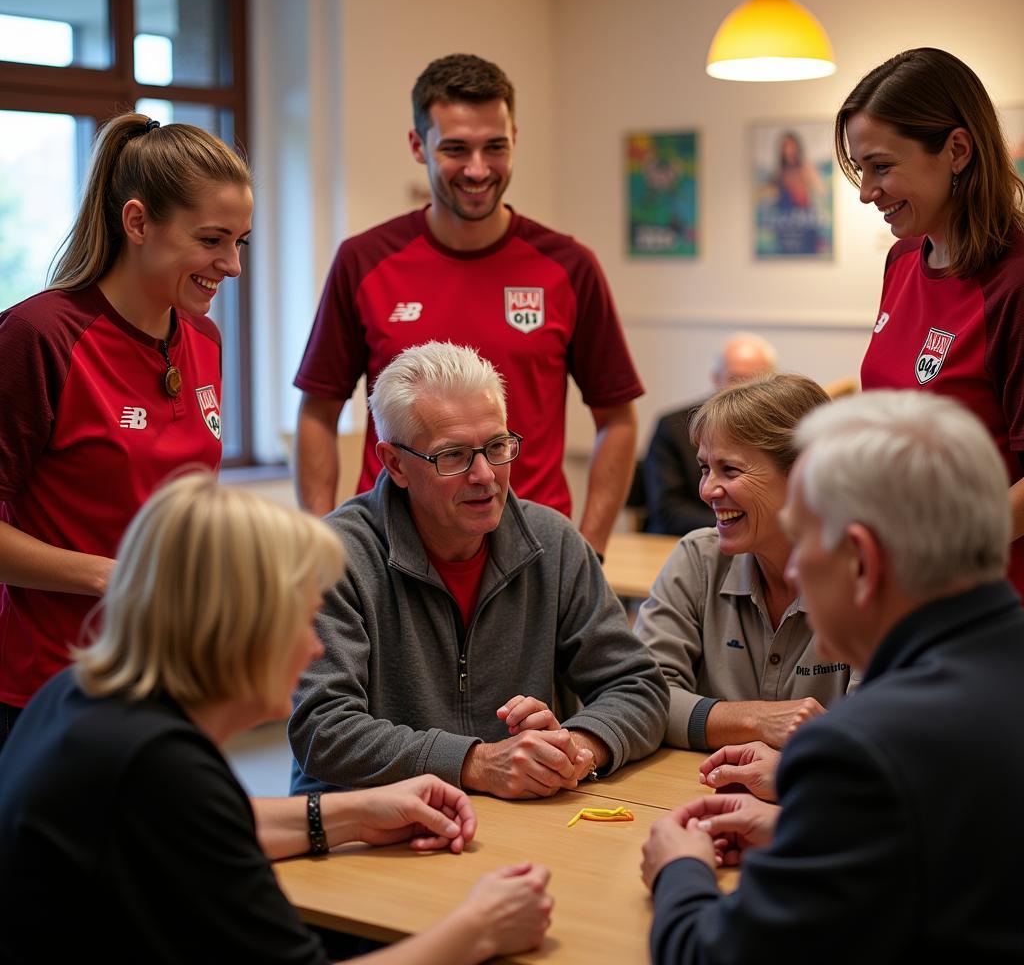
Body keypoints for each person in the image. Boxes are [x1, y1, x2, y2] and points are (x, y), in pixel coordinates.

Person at [0, 474, 553, 964]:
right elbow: (191, 813)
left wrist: (355, 814)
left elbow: (203, 825)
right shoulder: (156, 765)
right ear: (240, 629)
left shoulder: (84, 699)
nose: (315, 648)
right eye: (305, 620)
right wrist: (479, 928)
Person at [640, 390, 1024, 963]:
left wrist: (680, 870)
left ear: (862, 562)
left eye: (806, 542)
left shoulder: (864, 749)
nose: (792, 568)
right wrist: (809, 827)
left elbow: (717, 954)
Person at [293, 53, 643, 557]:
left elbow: (618, 419)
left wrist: (591, 547)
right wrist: (321, 545)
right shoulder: (363, 260)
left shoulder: (568, 265)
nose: (478, 169)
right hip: (391, 548)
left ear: (515, 139)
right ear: (418, 145)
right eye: (456, 149)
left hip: (533, 549)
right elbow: (318, 412)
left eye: (494, 147)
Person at [289, 341, 668, 799]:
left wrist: (578, 747)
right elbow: (323, 729)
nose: (485, 474)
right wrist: (477, 762)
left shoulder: (553, 542)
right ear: (395, 464)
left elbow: (638, 686)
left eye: (497, 445)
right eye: (453, 456)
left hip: (515, 826)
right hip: (367, 832)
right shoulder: (336, 557)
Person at [0, 112, 252, 748]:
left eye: (240, 243)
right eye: (212, 241)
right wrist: (110, 575)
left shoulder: (204, 338)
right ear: (138, 223)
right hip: (49, 687)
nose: (232, 265)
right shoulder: (40, 336)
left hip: (168, 678)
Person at [835, 46, 1024, 597]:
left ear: (957, 150)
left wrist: (937, 544)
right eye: (860, 169)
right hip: (909, 593)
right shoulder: (903, 260)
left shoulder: (1012, 284)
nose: (867, 193)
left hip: (992, 601)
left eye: (882, 167)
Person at [634, 374, 853, 752]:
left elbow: (874, 733)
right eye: (704, 468)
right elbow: (642, 699)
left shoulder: (868, 580)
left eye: (730, 470)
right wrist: (758, 720)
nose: (706, 490)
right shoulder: (698, 558)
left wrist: (708, 721)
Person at [643, 333, 777, 536]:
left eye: (756, 381)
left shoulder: (781, 430)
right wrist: (736, 522)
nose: (745, 391)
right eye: (736, 380)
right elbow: (667, 511)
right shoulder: (674, 427)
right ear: (715, 378)